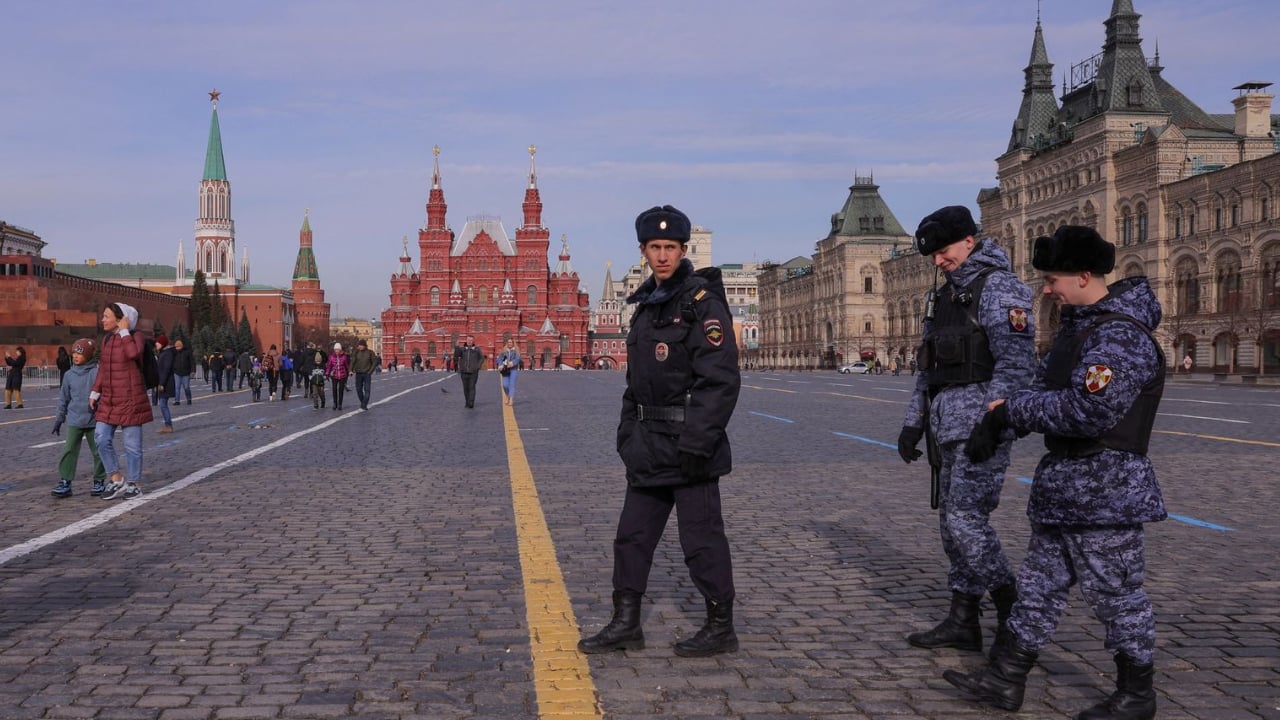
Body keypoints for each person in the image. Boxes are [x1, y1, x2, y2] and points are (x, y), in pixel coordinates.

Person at [945, 226, 1166, 719]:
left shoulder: (1118, 335)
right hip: (1066, 486)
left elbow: (1089, 411)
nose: (1046, 289)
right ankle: (1005, 679)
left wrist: (1013, 412)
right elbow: (1042, 391)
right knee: (1039, 588)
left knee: (1117, 595)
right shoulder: (1081, 329)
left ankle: (1137, 694)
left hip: (1106, 488)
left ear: (1084, 275)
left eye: (1053, 279)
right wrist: (1004, 416)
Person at [578, 204, 742, 658]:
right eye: (655, 247)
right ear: (644, 250)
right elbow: (637, 381)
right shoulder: (646, 307)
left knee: (702, 540)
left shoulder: (701, 304)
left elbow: (721, 380)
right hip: (648, 446)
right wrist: (627, 433)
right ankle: (626, 622)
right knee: (632, 537)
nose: (663, 255)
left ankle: (720, 626)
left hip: (691, 446)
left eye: (671, 247)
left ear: (683, 250)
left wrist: (698, 441)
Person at [897, 205, 1036, 655]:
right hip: (946, 427)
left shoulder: (999, 289)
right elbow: (928, 365)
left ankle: (1010, 605)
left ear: (969, 241)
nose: (938, 261)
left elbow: (1016, 365)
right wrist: (913, 423)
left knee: (965, 521)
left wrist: (994, 423)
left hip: (980, 429)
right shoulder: (944, 297)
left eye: (943, 251)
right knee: (950, 525)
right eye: (933, 255)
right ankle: (963, 618)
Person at [91, 302, 153, 500]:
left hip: (130, 398)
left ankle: (135, 483)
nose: (103, 319)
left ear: (121, 319)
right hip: (109, 398)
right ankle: (117, 478)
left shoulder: (137, 337)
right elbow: (103, 368)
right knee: (100, 437)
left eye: (106, 316)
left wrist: (125, 332)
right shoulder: (107, 340)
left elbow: (132, 353)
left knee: (132, 445)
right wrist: (95, 392)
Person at [51, 339, 108, 498]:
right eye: (74, 353)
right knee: (69, 451)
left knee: (98, 451)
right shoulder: (69, 375)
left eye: (79, 353)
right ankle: (65, 481)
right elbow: (64, 398)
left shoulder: (96, 373)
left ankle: (99, 480)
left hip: (94, 420)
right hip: (75, 420)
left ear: (88, 355)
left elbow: (104, 394)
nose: (75, 356)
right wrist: (59, 419)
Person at [453, 335, 484, 409]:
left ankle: (471, 402)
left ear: (473, 341)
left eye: (471, 340)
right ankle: (467, 402)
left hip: (473, 372)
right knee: (465, 388)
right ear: (466, 341)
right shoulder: (462, 349)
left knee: (472, 387)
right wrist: (457, 347)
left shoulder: (477, 349)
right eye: (468, 340)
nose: (469, 341)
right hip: (464, 372)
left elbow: (482, 358)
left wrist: (477, 366)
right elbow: (456, 355)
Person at [154, 335, 176, 433]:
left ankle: (168, 425)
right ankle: (168, 425)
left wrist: (162, 383)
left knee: (163, 404)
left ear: (162, 343)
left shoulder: (167, 354)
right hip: (162, 382)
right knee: (163, 404)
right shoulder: (163, 353)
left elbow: (166, 369)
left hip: (166, 383)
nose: (156, 344)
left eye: (158, 342)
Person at [350, 339, 377, 410]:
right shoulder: (356, 352)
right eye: (359, 345)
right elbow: (352, 361)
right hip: (358, 373)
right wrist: (350, 370)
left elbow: (374, 362)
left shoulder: (370, 352)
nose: (360, 346)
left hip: (367, 374)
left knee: (367, 390)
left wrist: (370, 372)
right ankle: (363, 402)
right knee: (358, 389)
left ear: (365, 346)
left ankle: (364, 404)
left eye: (361, 345)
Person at [325, 342, 350, 411]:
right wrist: (327, 374)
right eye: (335, 350)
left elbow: (346, 366)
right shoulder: (331, 357)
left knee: (341, 390)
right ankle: (335, 403)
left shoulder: (344, 357)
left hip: (342, 375)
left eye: (338, 350)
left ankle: (340, 404)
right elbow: (329, 366)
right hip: (334, 375)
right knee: (334, 389)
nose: (337, 351)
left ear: (340, 350)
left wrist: (349, 372)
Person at [497, 339, 521, 406]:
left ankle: (511, 399)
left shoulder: (516, 351)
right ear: (507, 343)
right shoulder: (504, 351)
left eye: (511, 342)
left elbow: (517, 359)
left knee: (511, 384)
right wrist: (500, 365)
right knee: (505, 385)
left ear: (513, 343)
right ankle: (507, 395)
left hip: (513, 369)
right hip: (505, 370)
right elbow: (499, 359)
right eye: (508, 342)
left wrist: (511, 363)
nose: (509, 343)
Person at [172, 338, 194, 405]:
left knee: (186, 387)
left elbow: (192, 362)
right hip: (177, 372)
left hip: (186, 373)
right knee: (177, 387)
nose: (177, 348)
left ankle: (189, 399)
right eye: (176, 347)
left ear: (181, 346)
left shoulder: (187, 352)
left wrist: (193, 371)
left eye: (178, 347)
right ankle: (177, 401)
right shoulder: (174, 353)